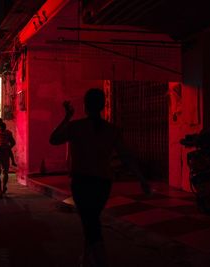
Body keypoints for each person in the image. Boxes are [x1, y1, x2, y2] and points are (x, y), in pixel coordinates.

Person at [49, 88, 150, 267]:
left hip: (81, 182)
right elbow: (126, 156)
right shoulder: (112, 130)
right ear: (103, 106)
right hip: (102, 183)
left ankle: (100, 261)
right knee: (92, 219)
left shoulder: (76, 127)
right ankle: (87, 259)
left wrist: (67, 117)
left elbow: (54, 139)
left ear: (85, 106)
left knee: (90, 221)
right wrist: (141, 178)